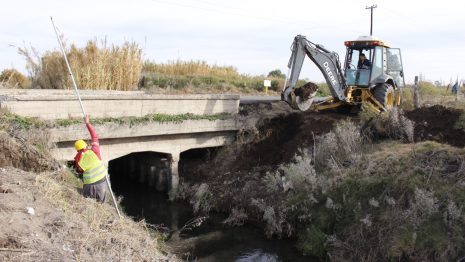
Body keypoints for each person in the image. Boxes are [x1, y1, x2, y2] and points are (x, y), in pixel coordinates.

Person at [74, 115, 108, 202]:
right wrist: (87, 123)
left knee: (89, 204)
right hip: (101, 182)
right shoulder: (94, 150)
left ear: (77, 150)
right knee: (101, 206)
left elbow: (79, 171)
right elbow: (94, 136)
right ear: (86, 145)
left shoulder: (78, 158)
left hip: (89, 185)